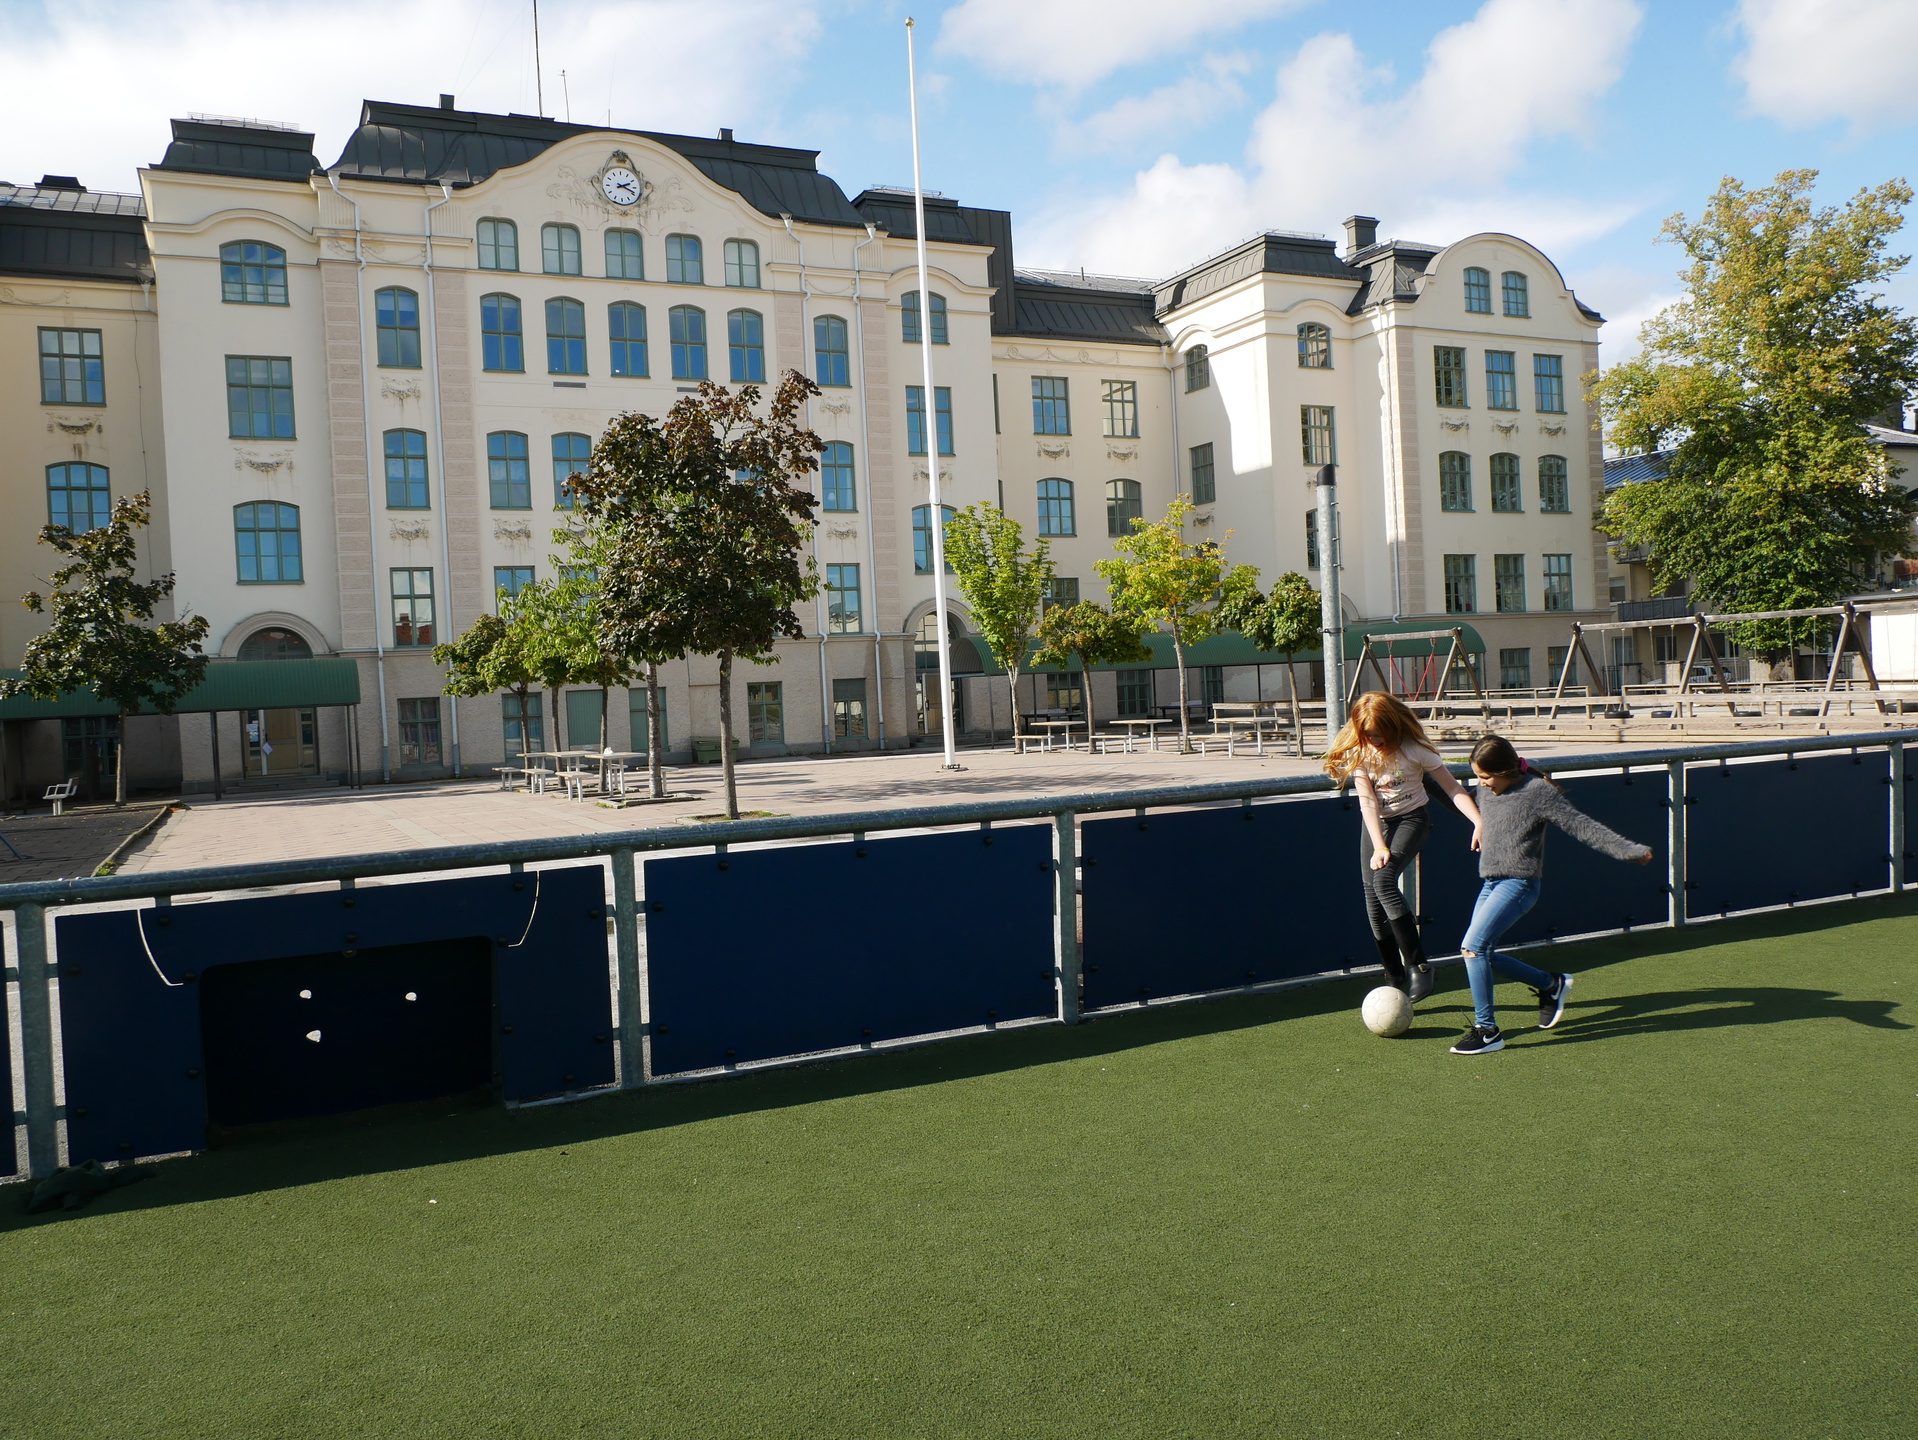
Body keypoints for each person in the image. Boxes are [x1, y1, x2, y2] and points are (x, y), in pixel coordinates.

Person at [1450, 734, 1654, 1055]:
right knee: (1480, 953)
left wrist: (1630, 851)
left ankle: (1487, 1030)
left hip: (1519, 885)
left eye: (1485, 777)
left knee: (1472, 949)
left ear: (1505, 770)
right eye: (1477, 777)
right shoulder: (1486, 790)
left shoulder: (1537, 792)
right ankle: (1551, 984)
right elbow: (1469, 803)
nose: (1481, 784)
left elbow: (1583, 826)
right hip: (1490, 882)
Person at [1323, 692, 1482, 1002]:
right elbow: (1367, 803)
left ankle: (1419, 967)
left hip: (1412, 818)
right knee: (1372, 899)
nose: (1376, 740)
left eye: (1381, 733)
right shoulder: (1360, 753)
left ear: (1395, 726)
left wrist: (1479, 821)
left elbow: (1451, 787)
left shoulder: (1415, 749)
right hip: (1377, 825)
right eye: (1369, 735)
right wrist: (1379, 846)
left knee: (1384, 880)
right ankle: (1393, 975)